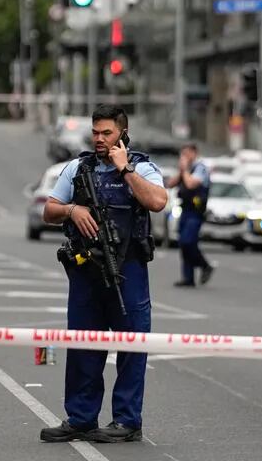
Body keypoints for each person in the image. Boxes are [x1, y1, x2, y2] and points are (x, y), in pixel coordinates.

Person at [40, 105, 168, 444]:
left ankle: (127, 421)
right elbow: (48, 210)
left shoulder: (142, 167)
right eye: (96, 132)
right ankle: (81, 418)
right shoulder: (77, 168)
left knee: (131, 346)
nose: (99, 138)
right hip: (86, 270)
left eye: (106, 133)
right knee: (82, 345)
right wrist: (72, 209)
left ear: (122, 134)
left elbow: (157, 201)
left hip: (128, 269)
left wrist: (124, 170)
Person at [167, 143, 215, 287]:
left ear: (194, 153)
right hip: (185, 210)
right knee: (183, 243)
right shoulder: (185, 170)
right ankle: (188, 278)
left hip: (196, 212)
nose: (185, 157)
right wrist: (181, 170)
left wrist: (185, 170)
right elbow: (170, 184)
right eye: (183, 154)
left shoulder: (200, 168)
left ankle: (205, 265)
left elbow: (191, 184)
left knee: (188, 241)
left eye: (187, 154)